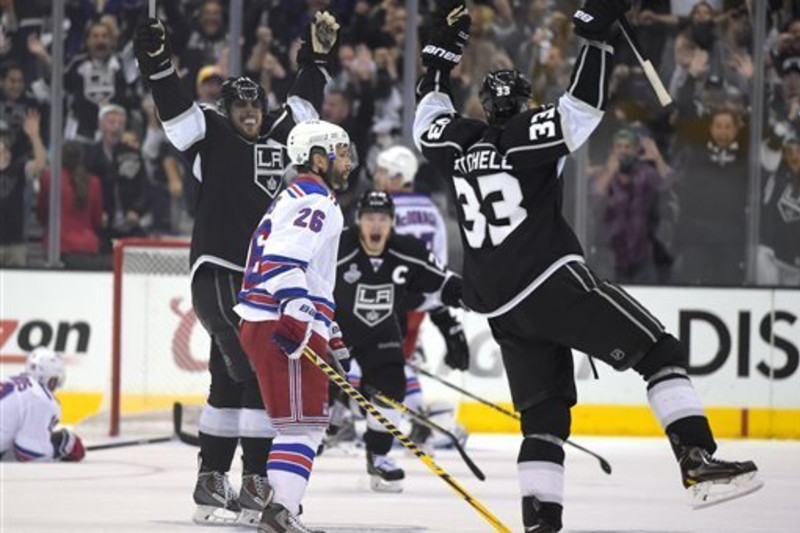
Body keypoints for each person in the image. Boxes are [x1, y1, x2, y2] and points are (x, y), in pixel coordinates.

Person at [413, 1, 761, 531]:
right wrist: (596, 40)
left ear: (484, 105)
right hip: (550, 281)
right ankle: (697, 459)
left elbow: (426, 120)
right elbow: (581, 109)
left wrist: (438, 60)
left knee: (543, 420)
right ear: (526, 103)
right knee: (659, 351)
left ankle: (540, 523)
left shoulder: (458, 143)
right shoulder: (526, 137)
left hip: (500, 304)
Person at [133, 11, 340, 527]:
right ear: (224, 107)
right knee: (254, 369)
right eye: (238, 103)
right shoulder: (212, 134)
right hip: (226, 271)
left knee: (227, 377)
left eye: (254, 102)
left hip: (251, 284)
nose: (248, 110)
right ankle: (253, 483)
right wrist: (158, 63)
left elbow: (306, 107)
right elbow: (176, 112)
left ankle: (211, 482)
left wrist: (314, 57)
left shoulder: (284, 135)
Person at [235, 119, 352, 533]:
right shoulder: (314, 198)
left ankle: (283, 509)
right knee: (302, 426)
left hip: (277, 320)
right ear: (318, 159)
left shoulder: (306, 195)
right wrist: (297, 316)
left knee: (304, 424)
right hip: (280, 323)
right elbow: (283, 261)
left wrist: (331, 332)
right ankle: (280, 511)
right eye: (341, 152)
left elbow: (313, 275)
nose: (349, 161)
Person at [332, 190, 467, 492]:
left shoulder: (409, 250)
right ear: (358, 221)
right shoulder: (337, 245)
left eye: (382, 219)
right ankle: (323, 430)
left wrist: (474, 298)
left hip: (382, 334)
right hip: (336, 332)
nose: (375, 225)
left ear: (392, 223)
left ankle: (378, 456)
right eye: (369, 218)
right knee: (319, 394)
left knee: (392, 388)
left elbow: (442, 282)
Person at [372, 144, 469, 447]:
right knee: (399, 360)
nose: (377, 177)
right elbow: (437, 262)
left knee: (379, 361)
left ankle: (410, 419)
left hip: (388, 297)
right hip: (421, 300)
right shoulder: (432, 211)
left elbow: (374, 253)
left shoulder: (383, 207)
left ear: (399, 176)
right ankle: (413, 418)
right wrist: (440, 311)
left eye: (383, 172)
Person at [0, 348, 85, 463]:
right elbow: (29, 453)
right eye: (55, 381)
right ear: (51, 380)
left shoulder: (8, 380)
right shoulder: (40, 398)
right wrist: (63, 445)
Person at [37, 141, 106, 270]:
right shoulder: (94, 182)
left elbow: (42, 215)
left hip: (58, 246)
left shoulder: (49, 178)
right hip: (87, 246)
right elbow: (97, 220)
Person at [0, 108, 45, 267]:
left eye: (4, 138)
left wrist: (34, 136)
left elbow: (39, 163)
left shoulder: (18, 168)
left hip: (15, 242)